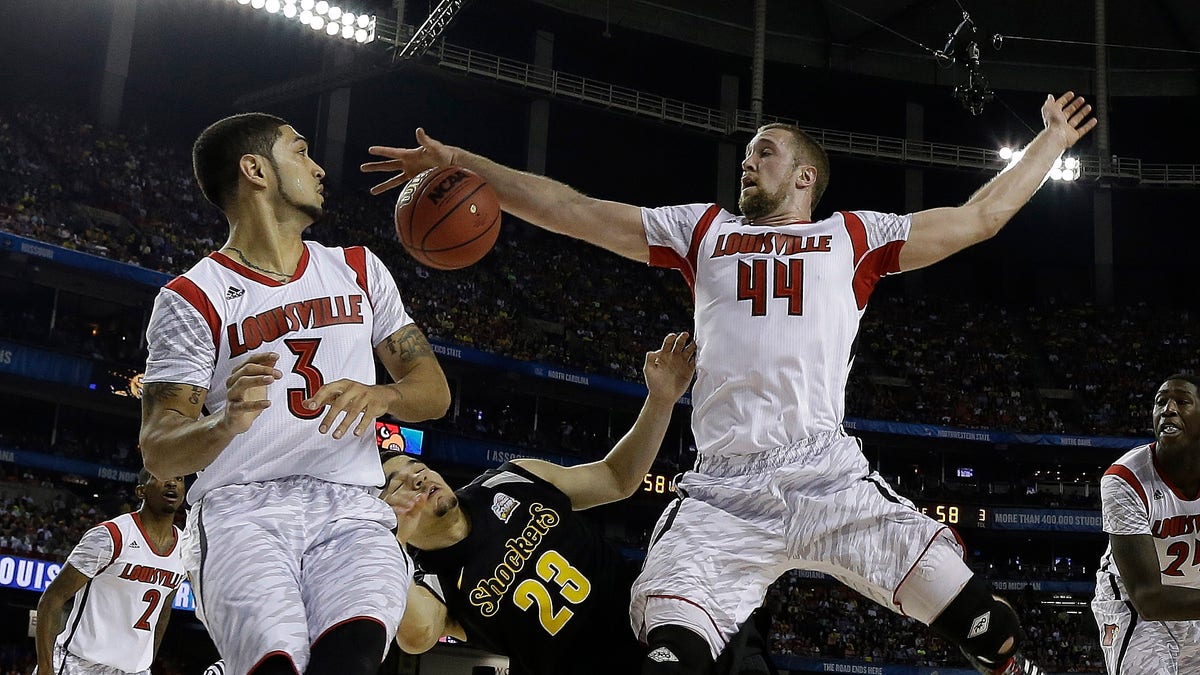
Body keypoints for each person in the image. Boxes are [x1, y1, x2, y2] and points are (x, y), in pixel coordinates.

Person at [361, 91, 1097, 675]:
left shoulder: (855, 237)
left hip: (825, 474)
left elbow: (981, 216)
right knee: (668, 657)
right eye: (746, 155)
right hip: (721, 495)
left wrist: (1050, 143)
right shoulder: (702, 229)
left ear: (805, 175)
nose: (748, 163)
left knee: (987, 627)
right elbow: (575, 212)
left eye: (765, 153)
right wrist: (466, 163)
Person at [139, 113, 451, 675]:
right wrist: (223, 423)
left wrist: (382, 397)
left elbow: (434, 393)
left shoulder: (359, 269)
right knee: (276, 665)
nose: (318, 166)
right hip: (242, 509)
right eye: (301, 151)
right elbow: (159, 450)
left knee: (349, 659)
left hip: (353, 505)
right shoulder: (192, 297)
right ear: (255, 170)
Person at [385, 333, 695, 675]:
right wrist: (391, 541)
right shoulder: (430, 578)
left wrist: (661, 401)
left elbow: (616, 478)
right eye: (397, 483)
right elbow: (417, 637)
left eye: (419, 467)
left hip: (657, 626)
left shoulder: (510, 479)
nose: (417, 478)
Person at [1092, 375, 1200, 674]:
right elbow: (1148, 598)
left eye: (1182, 401)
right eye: (1160, 402)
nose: (1167, 409)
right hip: (1134, 605)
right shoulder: (1124, 479)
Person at [34, 470, 186, 675]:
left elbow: (163, 611)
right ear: (141, 491)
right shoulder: (110, 536)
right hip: (80, 664)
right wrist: (45, 669)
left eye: (179, 479)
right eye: (163, 476)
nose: (172, 483)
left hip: (134, 671)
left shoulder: (185, 547)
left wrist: (145, 663)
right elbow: (52, 599)